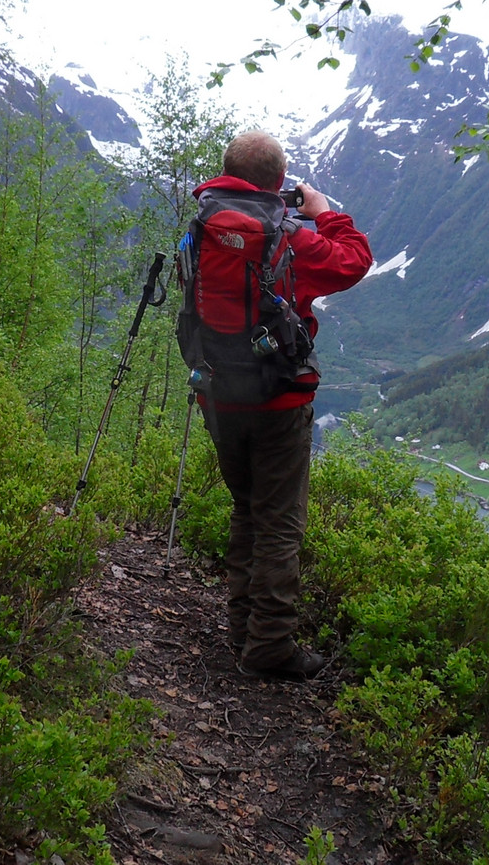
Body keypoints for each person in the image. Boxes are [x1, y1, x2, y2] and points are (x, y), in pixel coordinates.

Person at [183, 131, 371, 680]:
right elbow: (355, 262)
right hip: (279, 400)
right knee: (280, 523)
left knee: (246, 509)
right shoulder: (291, 239)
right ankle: (269, 645)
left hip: (217, 394)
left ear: (227, 172)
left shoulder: (200, 229)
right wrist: (326, 214)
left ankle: (243, 627)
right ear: (278, 184)